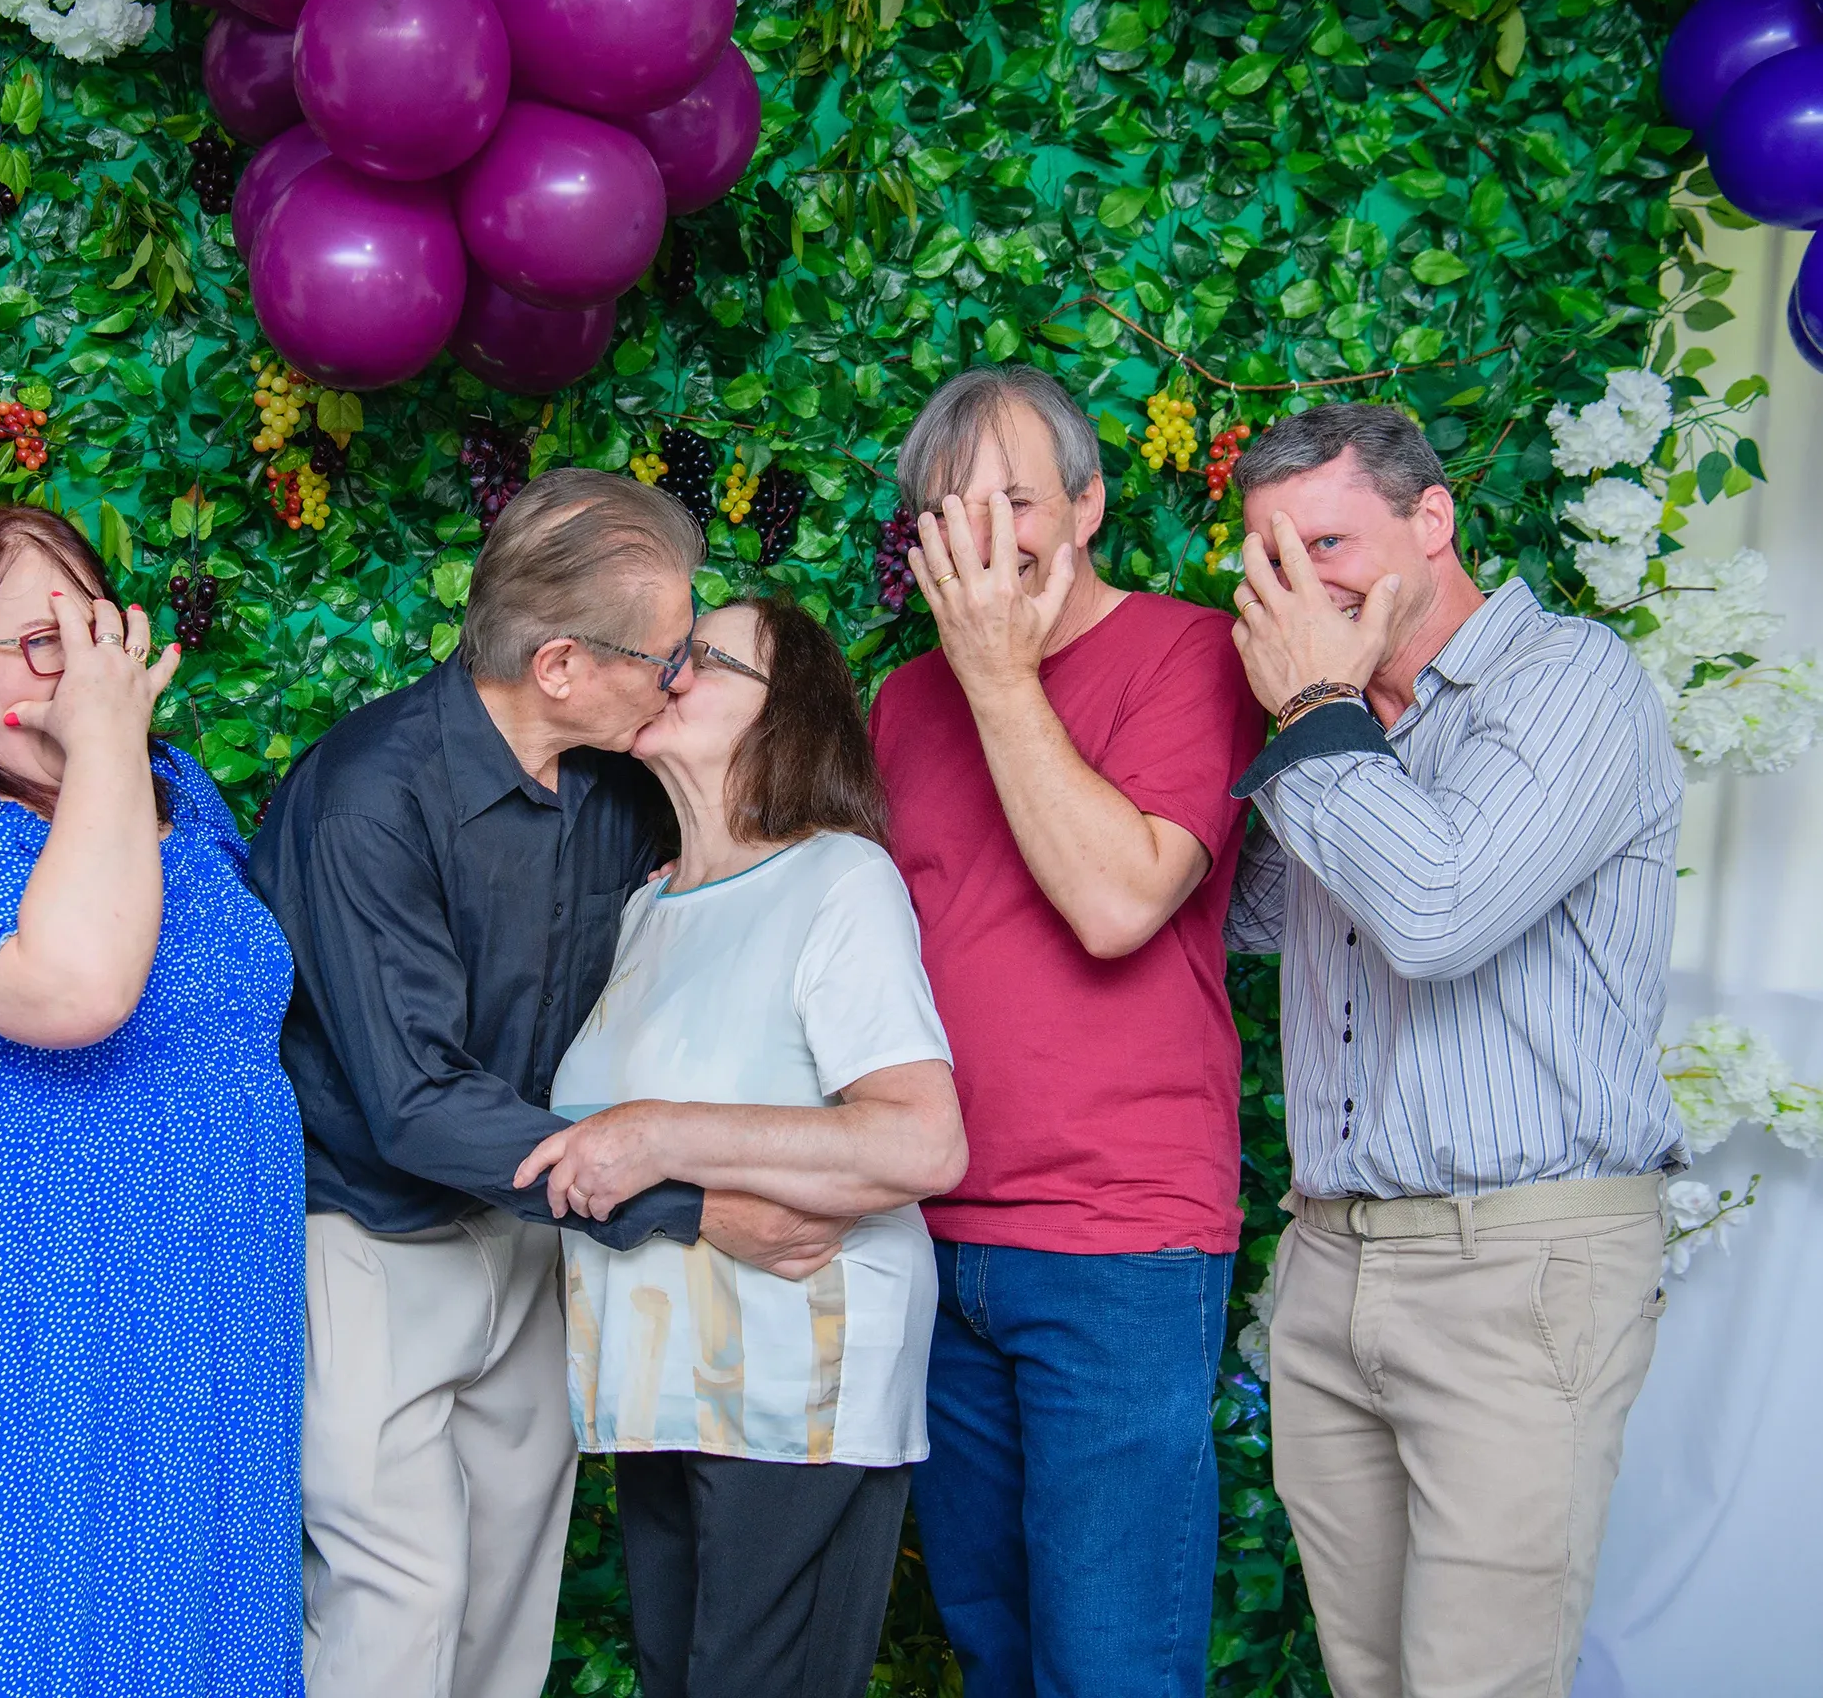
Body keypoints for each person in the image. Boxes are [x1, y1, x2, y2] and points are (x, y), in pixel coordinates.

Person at [247, 470, 851, 1698]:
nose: (682, 671)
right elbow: (414, 1103)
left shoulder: (615, 784)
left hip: (533, 1234)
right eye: (669, 650)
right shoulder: (370, 796)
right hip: (367, 1237)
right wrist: (692, 1205)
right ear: (564, 663)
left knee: (509, 1596)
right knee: (397, 1603)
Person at [1221, 403, 1681, 1698]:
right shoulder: (1343, 727)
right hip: (1330, 1264)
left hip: (1518, 1269)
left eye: (1325, 540)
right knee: (1368, 1679)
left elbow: (1435, 910)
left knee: (1474, 1685)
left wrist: (1310, 709)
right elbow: (1242, 916)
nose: (1300, 586)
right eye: (1268, 560)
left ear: (1433, 521)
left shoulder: (1569, 681)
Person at [0, 505, 303, 1696]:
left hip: (213, 1312)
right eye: (41, 643)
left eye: (92, 627)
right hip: (32, 1316)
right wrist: (99, 751)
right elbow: (78, 986)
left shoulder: (182, 799)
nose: (87, 666)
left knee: (200, 1626)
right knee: (41, 1628)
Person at [870, 367, 1267, 1697]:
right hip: (934, 1237)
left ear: (1089, 505)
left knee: (1109, 1667)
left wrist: (993, 678)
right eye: (948, 511)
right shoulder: (898, 703)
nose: (984, 538)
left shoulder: (1191, 654)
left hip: (1115, 1243)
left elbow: (1115, 902)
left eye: (1017, 501)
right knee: (991, 1648)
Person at [511, 597, 966, 1698]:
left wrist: (661, 1133)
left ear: (786, 713)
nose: (669, 667)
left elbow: (922, 1139)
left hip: (794, 1384)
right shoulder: (643, 907)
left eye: (705, 655)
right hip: (654, 1385)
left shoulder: (837, 880)